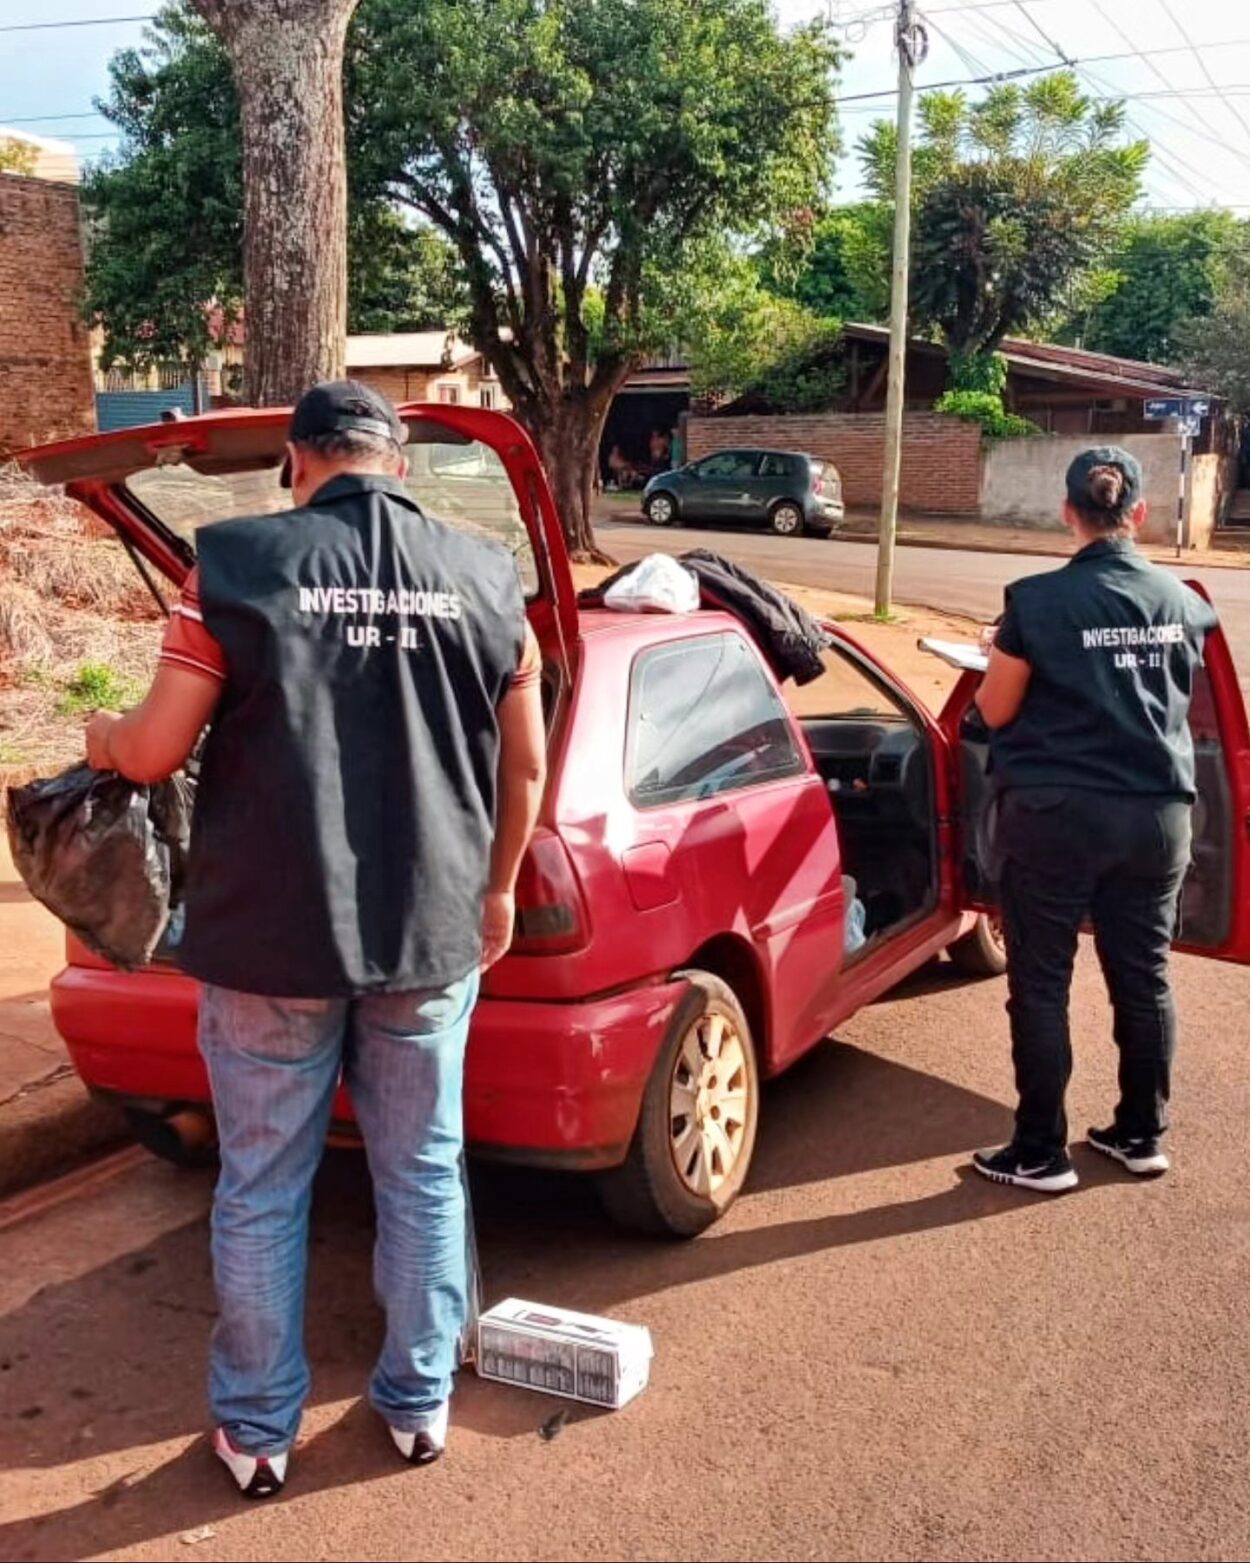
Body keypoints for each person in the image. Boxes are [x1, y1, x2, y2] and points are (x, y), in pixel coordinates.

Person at [85, 381, 547, 1497]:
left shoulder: (235, 568)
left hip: (269, 944)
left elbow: (152, 754)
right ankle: (417, 1403)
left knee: (261, 1187)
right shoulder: (488, 577)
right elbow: (521, 767)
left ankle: (255, 1432)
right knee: (424, 1175)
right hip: (430, 934)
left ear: (298, 461)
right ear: (398, 464)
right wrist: (495, 895)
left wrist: (100, 734)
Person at [971, 446, 1218, 1196]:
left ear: (1068, 512)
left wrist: (994, 654)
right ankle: (1141, 1135)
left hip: (1057, 816)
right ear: (1139, 514)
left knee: (1042, 983)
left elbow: (994, 709)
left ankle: (1041, 1152)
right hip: (1157, 818)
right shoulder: (1185, 603)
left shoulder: (1035, 603)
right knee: (1143, 979)